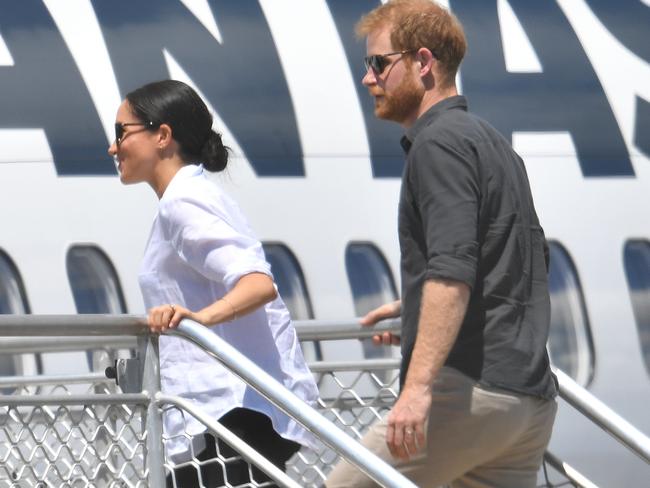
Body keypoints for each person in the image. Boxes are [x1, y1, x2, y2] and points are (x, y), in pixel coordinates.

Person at [326, 1, 558, 487]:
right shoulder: (491, 143)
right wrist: (417, 311)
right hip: (528, 404)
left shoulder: (439, 145)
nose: (368, 79)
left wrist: (416, 390)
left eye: (378, 64)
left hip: (471, 395)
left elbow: (452, 272)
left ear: (423, 62)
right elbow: (511, 264)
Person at [107, 79, 319, 487]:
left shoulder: (183, 201)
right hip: (236, 413)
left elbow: (257, 284)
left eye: (122, 133)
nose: (113, 147)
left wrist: (199, 319)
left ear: (162, 135)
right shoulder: (191, 195)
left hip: (234, 413)